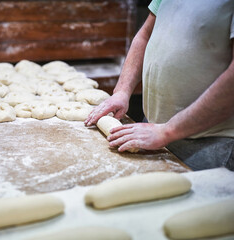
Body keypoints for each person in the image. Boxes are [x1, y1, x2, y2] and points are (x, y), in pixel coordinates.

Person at [84, 0, 234, 171]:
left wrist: (168, 131)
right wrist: (122, 91)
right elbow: (145, 36)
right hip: (151, 130)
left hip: (209, 143)